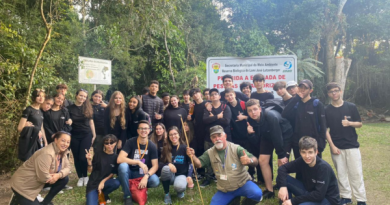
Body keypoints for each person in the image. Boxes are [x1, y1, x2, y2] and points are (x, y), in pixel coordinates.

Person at [186, 125, 262, 205]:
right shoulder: (209, 153)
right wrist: (193, 156)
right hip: (225, 189)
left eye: (219, 135)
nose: (217, 139)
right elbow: (199, 164)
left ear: (225, 136)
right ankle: (233, 199)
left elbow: (255, 161)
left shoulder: (236, 148)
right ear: (211, 139)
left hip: (242, 184)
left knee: (257, 194)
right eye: (214, 137)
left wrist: (249, 160)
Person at [325, 82, 366, 205]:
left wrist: (350, 123)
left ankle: (361, 199)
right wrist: (332, 146)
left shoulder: (350, 106)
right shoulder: (326, 109)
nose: (334, 93)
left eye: (336, 90)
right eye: (331, 91)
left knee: (356, 173)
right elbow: (325, 130)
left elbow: (359, 123)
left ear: (340, 91)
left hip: (352, 146)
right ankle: (346, 197)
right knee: (341, 174)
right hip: (337, 147)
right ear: (328, 94)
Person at [246, 99, 292, 199]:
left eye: (255, 109)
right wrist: (251, 134)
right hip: (267, 135)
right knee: (262, 161)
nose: (253, 112)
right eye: (249, 110)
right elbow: (257, 140)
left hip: (284, 135)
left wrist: (281, 155)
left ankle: (285, 191)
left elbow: (277, 136)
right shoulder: (250, 120)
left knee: (282, 163)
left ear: (260, 109)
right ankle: (269, 190)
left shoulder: (271, 116)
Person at [11, 131, 71, 205]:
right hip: (24, 186)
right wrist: (54, 177)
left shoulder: (62, 152)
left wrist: (58, 175)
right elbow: (43, 177)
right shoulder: (47, 153)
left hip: (37, 182)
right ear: (56, 140)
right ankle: (17, 197)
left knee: (64, 179)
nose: (65, 144)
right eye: (63, 140)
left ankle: (45, 203)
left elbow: (68, 167)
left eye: (68, 142)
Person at [277, 136, 341, 205]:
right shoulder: (302, 160)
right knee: (282, 179)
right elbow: (282, 169)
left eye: (310, 152)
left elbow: (319, 196)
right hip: (310, 192)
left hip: (327, 199)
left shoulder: (323, 168)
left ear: (316, 152)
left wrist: (293, 201)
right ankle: (285, 203)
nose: (307, 156)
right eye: (304, 152)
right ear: (300, 152)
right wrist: (283, 187)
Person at [117, 120, 160, 205]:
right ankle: (127, 196)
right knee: (123, 166)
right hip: (130, 172)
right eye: (141, 128)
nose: (143, 130)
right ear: (138, 131)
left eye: (145, 128)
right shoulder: (131, 142)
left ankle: (137, 187)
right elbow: (120, 159)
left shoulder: (152, 146)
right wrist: (138, 162)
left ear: (149, 130)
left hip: (143, 173)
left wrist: (146, 177)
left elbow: (155, 166)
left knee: (155, 181)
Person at [282, 79, 326, 159]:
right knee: (300, 169)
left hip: (313, 143)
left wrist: (321, 145)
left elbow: (323, 126)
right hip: (298, 143)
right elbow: (284, 114)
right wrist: (296, 98)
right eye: (300, 87)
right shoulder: (295, 103)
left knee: (314, 169)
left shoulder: (317, 104)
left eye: (305, 88)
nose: (302, 90)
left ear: (310, 90)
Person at [201, 88, 232, 187]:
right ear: (209, 97)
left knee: (224, 158)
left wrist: (212, 118)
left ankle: (224, 178)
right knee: (209, 158)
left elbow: (227, 121)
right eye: (212, 95)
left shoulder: (225, 107)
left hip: (223, 138)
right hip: (209, 137)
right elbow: (205, 120)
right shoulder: (207, 108)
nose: (214, 96)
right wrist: (217, 117)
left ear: (219, 96)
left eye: (216, 94)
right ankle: (208, 177)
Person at [68, 89, 96, 187]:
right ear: (76, 95)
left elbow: (91, 122)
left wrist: (94, 135)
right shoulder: (69, 108)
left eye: (84, 96)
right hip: (74, 135)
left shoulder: (88, 107)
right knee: (76, 157)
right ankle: (80, 177)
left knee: (83, 157)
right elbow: (67, 121)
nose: (82, 98)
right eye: (81, 95)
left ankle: (85, 176)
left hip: (86, 135)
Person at [160, 127, 193, 204]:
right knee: (165, 168)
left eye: (175, 134)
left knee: (180, 187)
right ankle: (167, 194)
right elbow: (160, 163)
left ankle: (179, 190)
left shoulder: (185, 148)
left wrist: (189, 175)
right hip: (170, 175)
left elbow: (191, 163)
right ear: (168, 137)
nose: (173, 136)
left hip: (181, 175)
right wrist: (168, 164)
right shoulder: (166, 148)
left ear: (179, 135)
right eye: (171, 135)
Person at [86, 134, 120, 205]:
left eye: (111, 142)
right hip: (93, 184)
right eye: (106, 143)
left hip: (105, 183)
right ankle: (97, 195)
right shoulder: (98, 155)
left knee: (116, 183)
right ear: (104, 144)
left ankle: (103, 193)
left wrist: (103, 182)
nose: (109, 145)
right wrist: (89, 161)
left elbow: (112, 173)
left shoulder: (116, 157)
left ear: (116, 143)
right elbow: (90, 171)